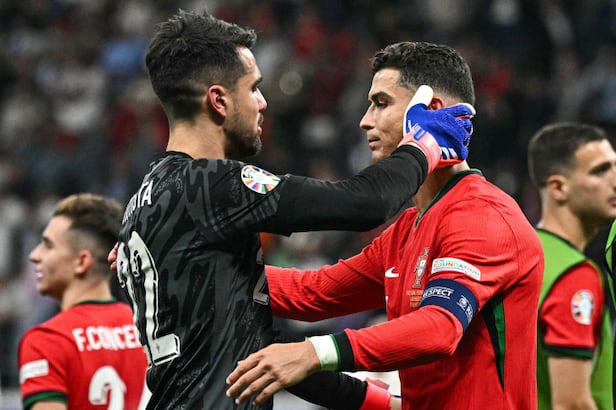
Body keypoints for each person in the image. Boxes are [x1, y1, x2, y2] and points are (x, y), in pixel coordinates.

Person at [113, 9, 474, 410]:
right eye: (253, 88)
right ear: (218, 101)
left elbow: (259, 355)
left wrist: (385, 403)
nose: (263, 102)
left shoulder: (142, 204)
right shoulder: (210, 184)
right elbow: (363, 203)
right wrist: (425, 143)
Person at [226, 41, 544, 410]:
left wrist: (315, 352)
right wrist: (209, 271)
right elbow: (315, 292)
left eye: (381, 103)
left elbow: (440, 328)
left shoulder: (484, 216)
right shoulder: (408, 228)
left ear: (430, 111)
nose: (365, 120)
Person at [18, 193, 149, 410]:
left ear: (81, 262)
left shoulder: (47, 341)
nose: (34, 255)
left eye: (48, 246)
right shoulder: (148, 330)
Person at [528, 123, 616, 409]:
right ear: (558, 188)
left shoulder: (525, 254)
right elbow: (572, 403)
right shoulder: (574, 277)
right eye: (600, 171)